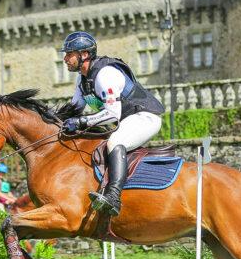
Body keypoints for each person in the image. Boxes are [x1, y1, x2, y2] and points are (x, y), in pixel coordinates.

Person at [59, 31, 165, 216]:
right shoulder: (82, 79)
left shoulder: (105, 74)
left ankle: (113, 197)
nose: (65, 58)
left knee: (115, 142)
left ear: (84, 54)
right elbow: (74, 109)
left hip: (145, 117)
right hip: (125, 119)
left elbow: (112, 116)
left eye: (69, 54)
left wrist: (82, 121)